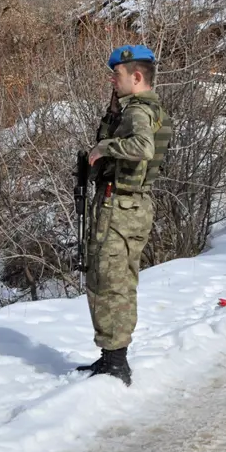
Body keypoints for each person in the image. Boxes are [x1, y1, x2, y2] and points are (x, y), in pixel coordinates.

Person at [76, 44, 172, 385]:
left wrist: (104, 148)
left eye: (116, 75)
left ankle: (115, 360)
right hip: (134, 204)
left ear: (136, 76)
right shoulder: (150, 108)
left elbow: (142, 148)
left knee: (108, 280)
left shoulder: (138, 112)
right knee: (120, 280)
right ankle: (113, 356)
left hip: (120, 207)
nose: (112, 81)